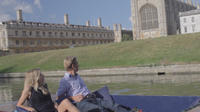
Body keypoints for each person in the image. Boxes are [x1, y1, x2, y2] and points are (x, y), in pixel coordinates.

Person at [56, 56, 134, 112]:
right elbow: (58, 98)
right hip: (81, 103)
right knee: (100, 110)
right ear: (73, 66)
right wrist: (73, 98)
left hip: (92, 98)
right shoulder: (65, 80)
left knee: (113, 105)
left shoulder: (77, 76)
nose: (79, 65)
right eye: (77, 63)